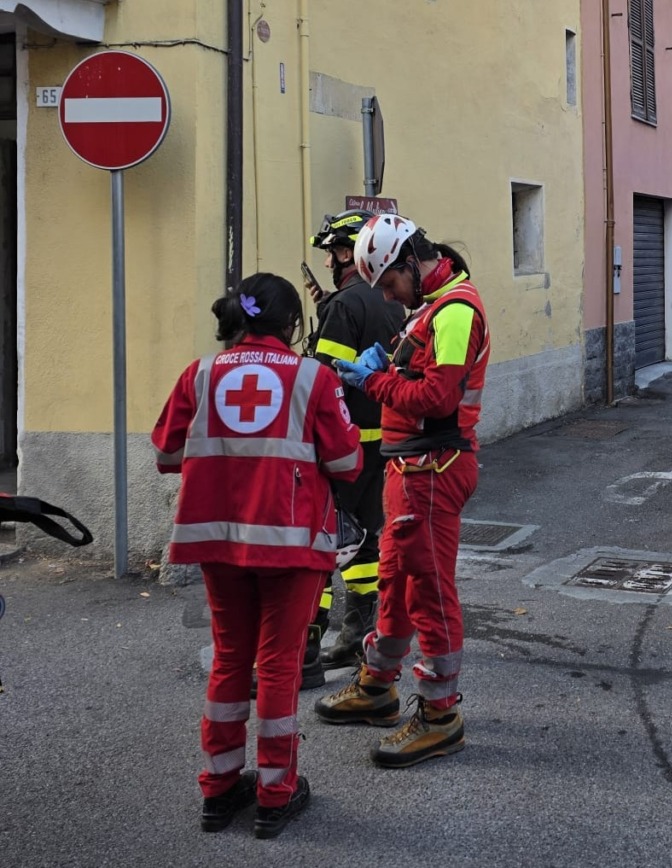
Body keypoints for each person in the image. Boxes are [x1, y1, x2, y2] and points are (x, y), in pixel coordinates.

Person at [152, 273, 362, 837]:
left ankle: (219, 790)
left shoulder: (198, 374)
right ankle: (275, 791)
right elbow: (346, 465)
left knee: (229, 659)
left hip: (217, 539)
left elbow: (166, 452)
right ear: (291, 325)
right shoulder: (312, 377)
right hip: (291, 544)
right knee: (277, 665)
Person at [314, 216, 489, 770]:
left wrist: (372, 381)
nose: (386, 294)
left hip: (434, 468)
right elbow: (420, 371)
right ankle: (378, 685)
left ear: (412, 262)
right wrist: (386, 364)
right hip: (412, 469)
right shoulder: (433, 306)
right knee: (394, 581)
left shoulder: (457, 311)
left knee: (430, 593)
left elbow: (437, 397)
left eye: (389, 283)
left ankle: (440, 716)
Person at [302, 209, 406, 682]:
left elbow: (325, 380)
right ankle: (357, 633)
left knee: (320, 541)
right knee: (364, 536)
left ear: (347, 252)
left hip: (341, 448)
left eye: (331, 253)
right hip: (382, 442)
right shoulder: (390, 300)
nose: (328, 263)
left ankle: (307, 634)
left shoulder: (342, 305)